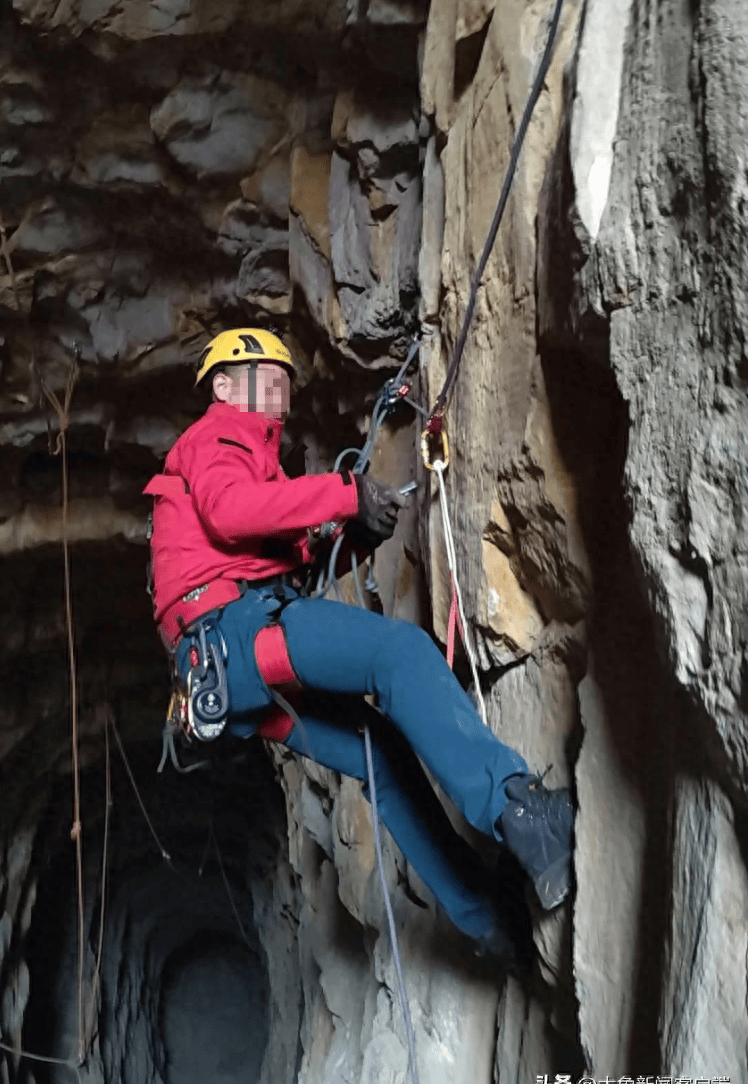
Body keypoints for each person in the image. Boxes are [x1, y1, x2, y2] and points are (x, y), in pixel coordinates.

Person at [144, 328, 574, 967]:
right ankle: (521, 812)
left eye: (286, 374)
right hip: (238, 639)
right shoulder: (216, 436)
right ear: (225, 386)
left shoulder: (252, 460)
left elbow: (278, 562)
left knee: (379, 756)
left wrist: (358, 532)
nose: (283, 384)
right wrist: (345, 494)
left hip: (231, 680)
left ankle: (488, 924)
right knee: (398, 655)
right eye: (269, 373)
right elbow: (233, 513)